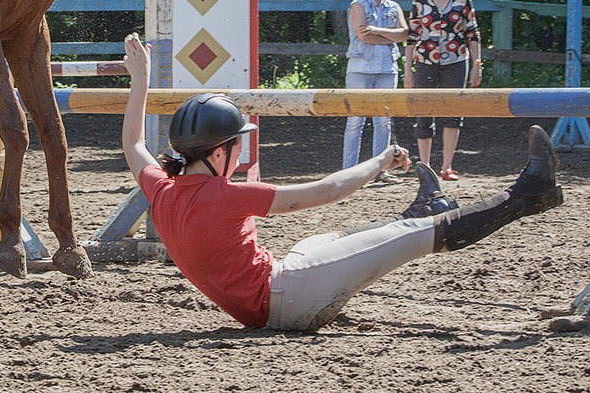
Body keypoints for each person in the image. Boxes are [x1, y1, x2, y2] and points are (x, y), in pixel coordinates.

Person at [121, 32, 562, 332]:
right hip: (289, 301)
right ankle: (527, 195)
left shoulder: (162, 189)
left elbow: (133, 142)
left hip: (270, 298)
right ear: (218, 153)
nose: (242, 152)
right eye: (238, 145)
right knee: (415, 236)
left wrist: (139, 80)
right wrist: (380, 161)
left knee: (319, 241)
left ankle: (421, 213)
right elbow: (328, 191)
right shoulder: (226, 194)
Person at [403, 0, 482, 180]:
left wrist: (477, 64)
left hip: (456, 58)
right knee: (424, 109)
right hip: (425, 59)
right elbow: (412, 35)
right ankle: (425, 166)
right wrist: (408, 70)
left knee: (453, 111)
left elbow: (472, 31)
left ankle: (447, 166)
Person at [343, 0, 408, 181]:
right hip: (360, 68)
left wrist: (379, 31)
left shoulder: (394, 6)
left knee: (383, 121)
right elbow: (363, 35)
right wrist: (391, 36)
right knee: (355, 120)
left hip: (387, 68)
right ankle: (349, 170)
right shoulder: (358, 5)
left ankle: (382, 169)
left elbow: (405, 34)